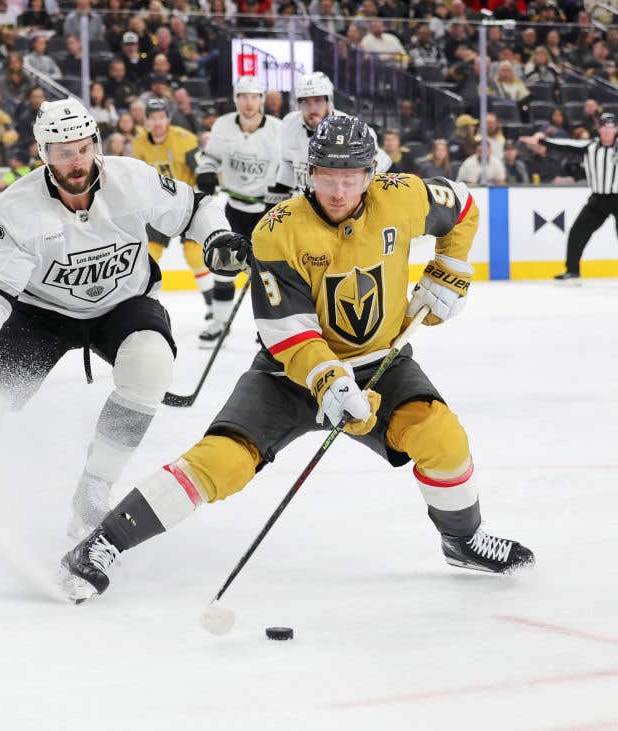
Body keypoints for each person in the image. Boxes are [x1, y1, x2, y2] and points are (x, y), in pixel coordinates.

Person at [59, 115, 536, 603]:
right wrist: (330, 381)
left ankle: (463, 539)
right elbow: (288, 331)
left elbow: (464, 207)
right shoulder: (277, 230)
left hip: (380, 363)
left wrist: (449, 271)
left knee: (442, 435)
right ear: (309, 173)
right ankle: (102, 544)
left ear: (371, 174)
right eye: (327, 176)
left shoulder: (403, 197)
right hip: (288, 375)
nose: (338, 190)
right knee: (223, 462)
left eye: (350, 177)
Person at [0, 98, 246, 539]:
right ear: (42, 152)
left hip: (123, 304)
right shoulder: (16, 208)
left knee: (151, 367)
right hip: (43, 313)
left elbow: (195, 208)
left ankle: (95, 487)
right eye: (63, 152)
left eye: (83, 148)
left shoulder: (131, 179)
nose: (77, 161)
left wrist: (217, 237)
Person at [195, 75, 283, 345]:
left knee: (269, 272)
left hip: (267, 210)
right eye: (243, 97)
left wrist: (279, 196)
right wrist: (207, 172)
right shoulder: (223, 125)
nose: (248, 103)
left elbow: (287, 168)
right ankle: (220, 323)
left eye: (254, 96)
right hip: (234, 208)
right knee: (224, 264)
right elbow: (210, 158)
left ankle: (270, 329)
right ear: (236, 99)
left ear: (262, 100)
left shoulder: (278, 129)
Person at [132, 97, 216, 339]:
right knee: (149, 257)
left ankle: (212, 305)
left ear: (168, 118)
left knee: (193, 255)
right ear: (146, 120)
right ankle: (142, 306)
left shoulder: (184, 139)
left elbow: (202, 168)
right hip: (157, 209)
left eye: (161, 117)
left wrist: (207, 179)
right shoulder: (139, 144)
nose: (157, 122)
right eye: (152, 117)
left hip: (186, 205)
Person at [519, 113, 618, 280]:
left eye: (611, 127)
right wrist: (542, 141)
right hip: (598, 199)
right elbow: (564, 144)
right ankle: (572, 270)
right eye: (604, 127)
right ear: (598, 129)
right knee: (577, 232)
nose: (608, 131)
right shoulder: (589, 147)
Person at [273, 71, 390, 198]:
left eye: (318, 101)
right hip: (304, 205)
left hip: (339, 203)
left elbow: (384, 166)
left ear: (329, 101)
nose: (312, 109)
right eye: (306, 102)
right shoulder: (289, 123)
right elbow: (287, 166)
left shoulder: (352, 128)